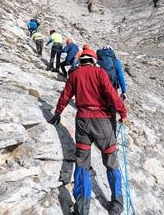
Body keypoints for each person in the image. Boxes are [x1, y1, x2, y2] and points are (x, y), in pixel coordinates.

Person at [48, 49, 127, 215]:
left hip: (83, 121)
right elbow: (112, 95)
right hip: (102, 122)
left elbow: (65, 96)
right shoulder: (100, 73)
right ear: (94, 60)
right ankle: (117, 205)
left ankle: (82, 209)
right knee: (111, 161)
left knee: (82, 164)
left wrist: (57, 113)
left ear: (82, 60)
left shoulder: (75, 75)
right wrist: (123, 112)